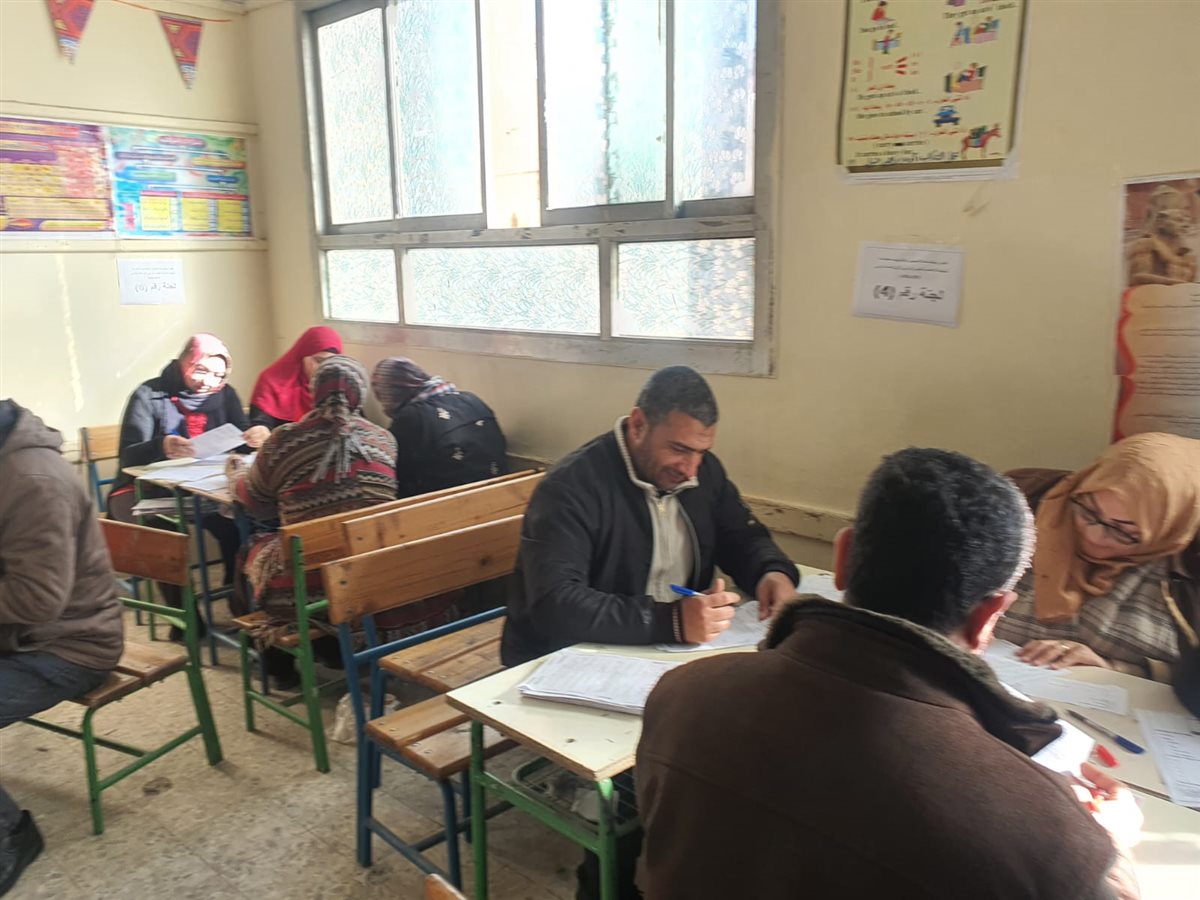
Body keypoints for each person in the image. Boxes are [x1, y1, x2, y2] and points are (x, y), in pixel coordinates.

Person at [636, 448, 1141, 900]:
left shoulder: (682, 695)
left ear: (843, 557)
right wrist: (1111, 851)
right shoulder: (1048, 839)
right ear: (990, 616)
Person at [502, 365, 798, 668]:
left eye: (701, 452)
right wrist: (671, 622)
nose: (691, 470)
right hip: (568, 660)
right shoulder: (569, 488)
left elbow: (742, 538)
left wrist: (771, 572)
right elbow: (556, 604)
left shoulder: (705, 472)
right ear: (638, 425)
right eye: (679, 449)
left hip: (668, 652)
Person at [0, 400, 124, 895]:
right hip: (24, 636)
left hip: (71, 646)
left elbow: (36, 599)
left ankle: (11, 835)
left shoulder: (33, 481)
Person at [227, 355, 396, 686]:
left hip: (306, 581)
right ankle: (333, 650)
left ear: (314, 390)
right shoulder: (384, 440)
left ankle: (276, 665)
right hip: (369, 572)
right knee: (310, 549)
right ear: (360, 393)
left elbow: (254, 500)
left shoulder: (286, 440)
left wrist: (236, 473)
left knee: (251, 551)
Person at [996, 433, 1200, 681]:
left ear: (1170, 529)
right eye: (1089, 512)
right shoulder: (1028, 505)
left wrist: (1113, 668)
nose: (1094, 536)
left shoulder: (1188, 564)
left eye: (1123, 531)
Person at [108, 334, 267, 636]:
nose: (209, 381)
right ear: (184, 362)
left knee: (239, 524)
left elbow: (241, 437)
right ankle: (185, 620)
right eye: (201, 370)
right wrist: (162, 445)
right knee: (162, 535)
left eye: (219, 374)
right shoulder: (149, 394)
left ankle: (239, 601)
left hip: (200, 487)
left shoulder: (226, 395)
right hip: (143, 489)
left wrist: (256, 436)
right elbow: (128, 455)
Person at [371, 357, 508, 499]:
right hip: (499, 494)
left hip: (447, 503)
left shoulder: (410, 418)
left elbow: (396, 473)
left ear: (391, 392)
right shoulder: (471, 399)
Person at [248, 326, 343, 430]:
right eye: (319, 360)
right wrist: (261, 430)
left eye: (331, 362)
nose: (324, 367)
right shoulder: (271, 381)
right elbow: (261, 423)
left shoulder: (339, 384)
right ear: (303, 356)